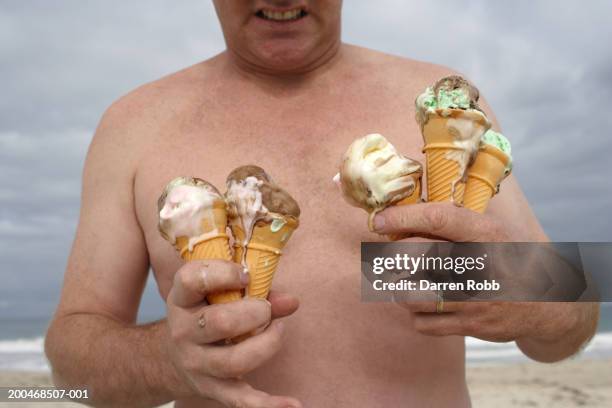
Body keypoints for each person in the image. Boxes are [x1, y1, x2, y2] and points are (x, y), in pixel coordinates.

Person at [45, 1, 599, 407]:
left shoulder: (446, 101)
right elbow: (72, 364)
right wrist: (165, 358)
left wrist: (537, 302)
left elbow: (574, 318)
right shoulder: (134, 126)